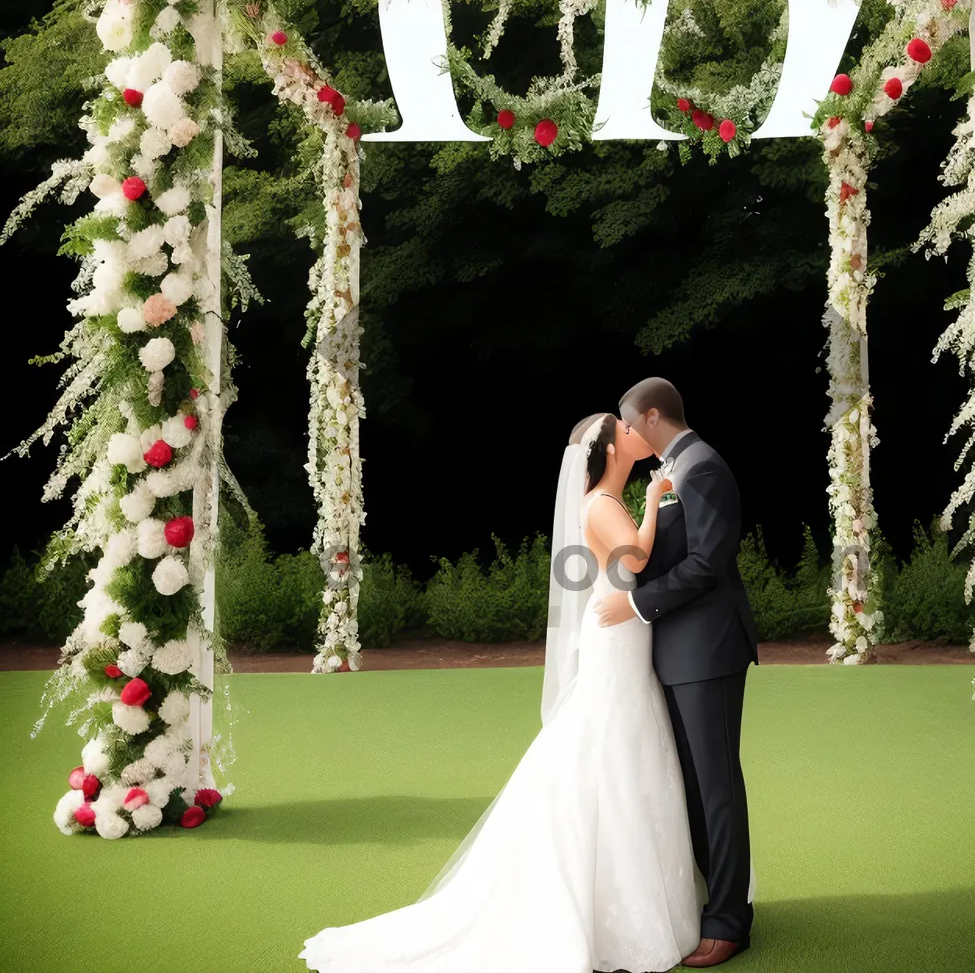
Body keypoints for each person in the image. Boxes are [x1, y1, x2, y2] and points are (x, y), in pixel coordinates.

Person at [298, 411, 703, 973]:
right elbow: (632, 557)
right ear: (611, 450)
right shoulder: (603, 505)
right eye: (626, 430)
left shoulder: (603, 502)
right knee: (611, 743)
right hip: (615, 637)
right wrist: (659, 496)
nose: (636, 432)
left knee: (626, 744)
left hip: (621, 631)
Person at [593, 377, 759, 969]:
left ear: (653, 416)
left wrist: (636, 605)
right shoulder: (672, 470)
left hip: (707, 651)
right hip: (678, 651)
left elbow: (707, 564)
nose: (628, 435)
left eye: (631, 425)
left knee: (716, 788)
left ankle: (729, 922)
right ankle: (716, 900)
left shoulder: (702, 468)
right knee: (693, 785)